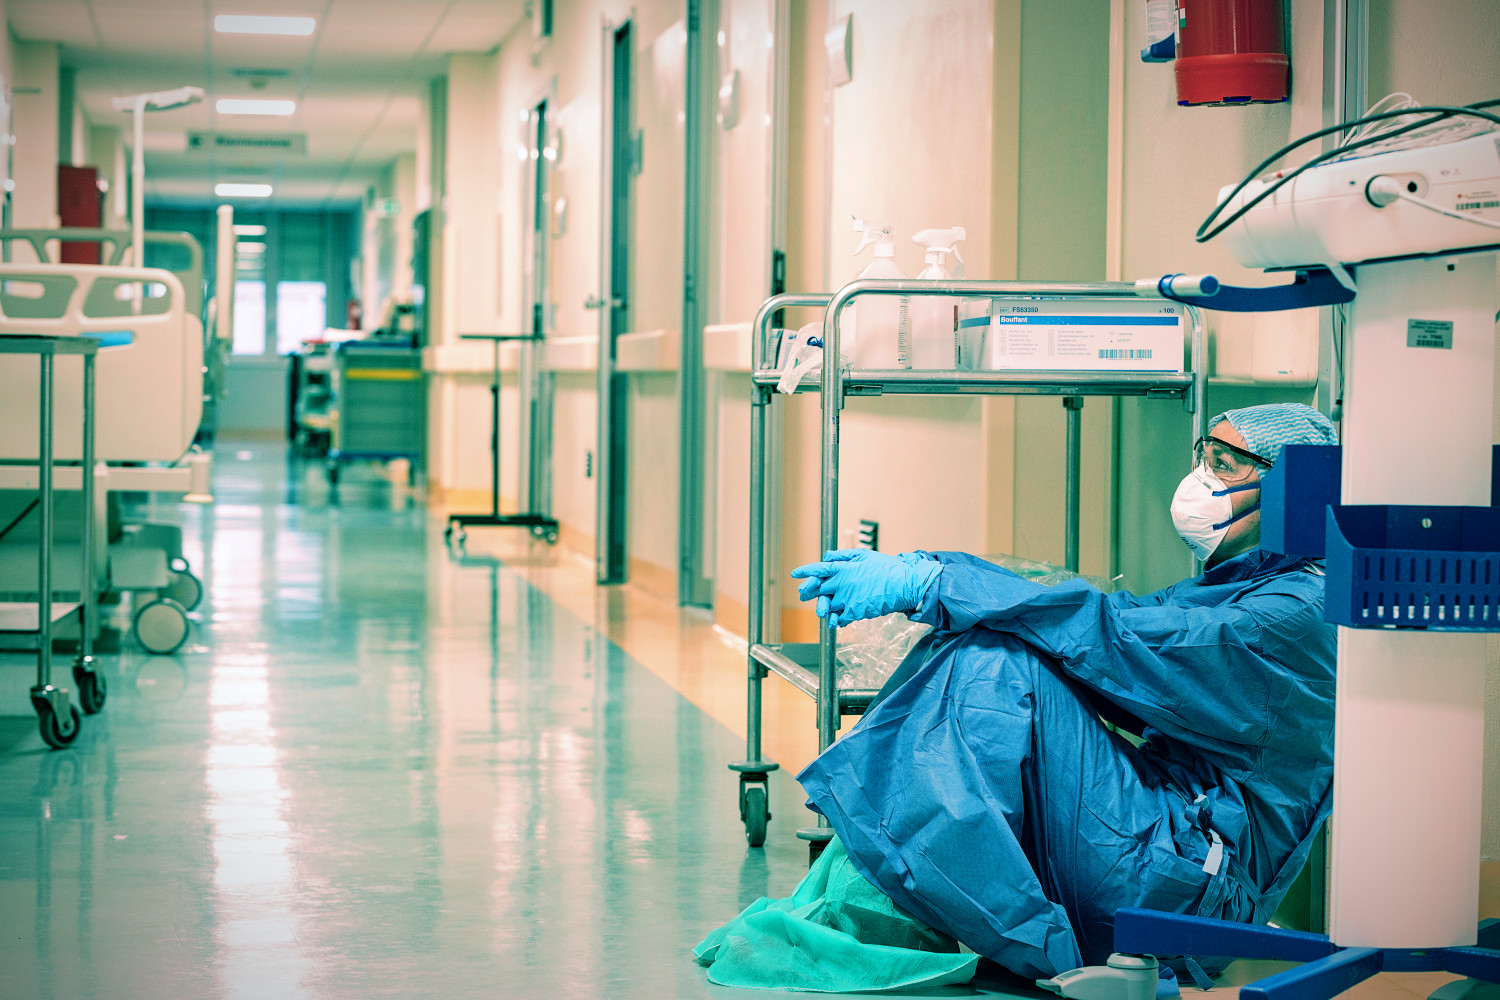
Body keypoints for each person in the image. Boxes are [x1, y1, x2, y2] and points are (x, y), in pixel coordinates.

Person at [696, 402, 1340, 991]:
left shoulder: (1290, 614)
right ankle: (873, 907)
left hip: (1190, 886)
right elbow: (1116, 639)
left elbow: (1117, 638)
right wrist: (960, 588)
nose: (1201, 479)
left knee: (991, 662)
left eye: (1224, 465)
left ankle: (911, 922)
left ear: (1290, 486)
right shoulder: (1249, 584)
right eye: (1204, 458)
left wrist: (943, 582)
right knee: (989, 644)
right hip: (1155, 840)